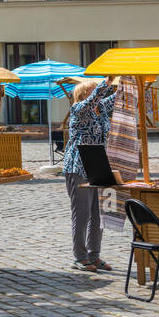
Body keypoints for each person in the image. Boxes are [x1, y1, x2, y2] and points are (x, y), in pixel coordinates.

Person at [63, 77, 118, 273]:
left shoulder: (100, 109)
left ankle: (94, 255)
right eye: (93, 90)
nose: (100, 94)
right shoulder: (79, 108)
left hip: (98, 163)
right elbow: (96, 98)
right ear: (84, 94)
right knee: (82, 212)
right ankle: (79, 257)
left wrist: (133, 82)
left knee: (98, 213)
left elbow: (118, 98)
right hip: (78, 164)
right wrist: (107, 81)